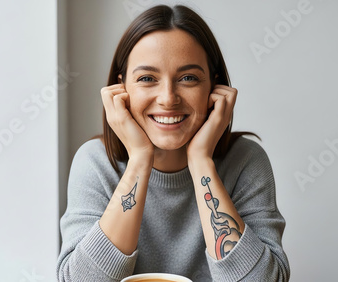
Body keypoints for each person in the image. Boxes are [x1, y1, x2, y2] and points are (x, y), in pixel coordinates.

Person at [57, 5, 289, 281]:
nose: (168, 98)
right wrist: (141, 158)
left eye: (188, 78)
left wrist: (202, 162)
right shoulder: (95, 162)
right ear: (121, 89)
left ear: (213, 88)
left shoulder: (246, 161)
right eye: (146, 79)